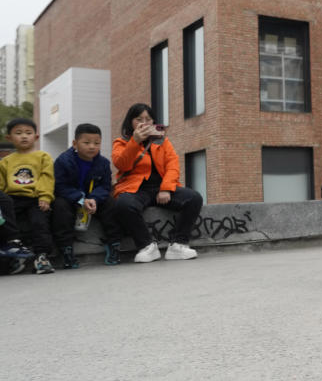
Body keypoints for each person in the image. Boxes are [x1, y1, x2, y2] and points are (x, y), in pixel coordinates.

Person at [112, 104, 203, 263]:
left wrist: (166, 188)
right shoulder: (121, 142)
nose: (144, 123)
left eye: (148, 119)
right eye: (139, 119)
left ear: (154, 122)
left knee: (194, 198)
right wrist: (135, 141)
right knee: (123, 205)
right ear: (130, 122)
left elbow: (173, 165)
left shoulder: (162, 141)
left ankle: (178, 244)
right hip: (136, 189)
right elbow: (122, 164)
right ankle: (146, 246)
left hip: (162, 187)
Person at [52, 123, 124, 268]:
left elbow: (105, 186)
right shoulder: (63, 161)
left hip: (93, 200)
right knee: (60, 206)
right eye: (86, 143)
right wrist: (80, 199)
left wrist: (94, 198)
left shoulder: (103, 163)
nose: (92, 147)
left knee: (111, 204)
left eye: (97, 143)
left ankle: (114, 244)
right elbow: (59, 186)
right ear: (75, 143)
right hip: (71, 199)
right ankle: (66, 250)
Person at [0, 118, 55, 274]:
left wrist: (45, 197)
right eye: (18, 133)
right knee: (5, 223)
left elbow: (47, 177)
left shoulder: (43, 157)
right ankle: (13, 256)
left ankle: (42, 257)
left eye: (28, 133)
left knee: (40, 223)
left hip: (34, 198)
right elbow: (1, 185)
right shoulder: (5, 161)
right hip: (11, 199)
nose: (24, 136)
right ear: (9, 138)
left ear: (36, 137)